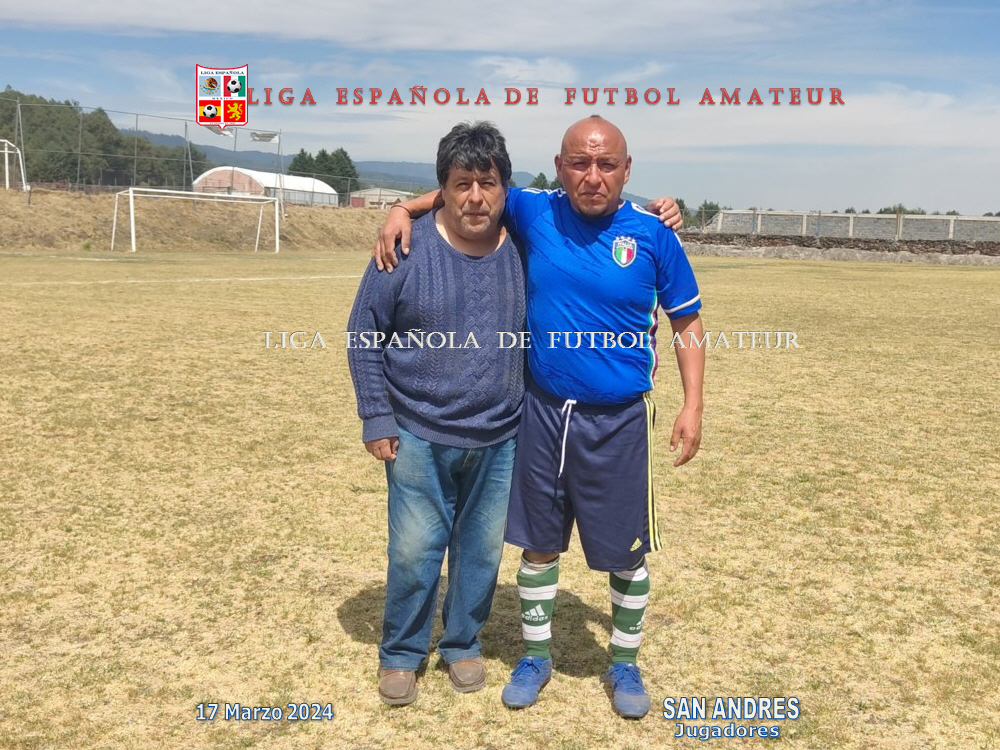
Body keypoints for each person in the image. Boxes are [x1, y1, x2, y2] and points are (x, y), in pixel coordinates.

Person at [375, 116, 705, 719]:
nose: (592, 176)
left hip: (619, 420)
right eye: (580, 162)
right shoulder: (534, 210)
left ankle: (624, 664)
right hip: (542, 413)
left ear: (626, 170)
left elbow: (686, 321)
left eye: (606, 164)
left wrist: (693, 404)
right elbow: (471, 186)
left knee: (625, 554)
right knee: (538, 545)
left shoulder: (655, 233)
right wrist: (403, 208)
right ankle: (534, 656)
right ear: (559, 167)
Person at [346, 121, 525, 706]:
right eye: (461, 183)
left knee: (481, 552)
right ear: (442, 189)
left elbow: (585, 205)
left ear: (505, 188)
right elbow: (363, 332)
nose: (475, 197)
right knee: (414, 551)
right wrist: (376, 415)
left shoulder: (525, 245)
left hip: (500, 436)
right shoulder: (404, 248)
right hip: (417, 432)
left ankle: (463, 643)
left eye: (487, 183)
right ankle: (401, 653)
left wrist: (659, 212)